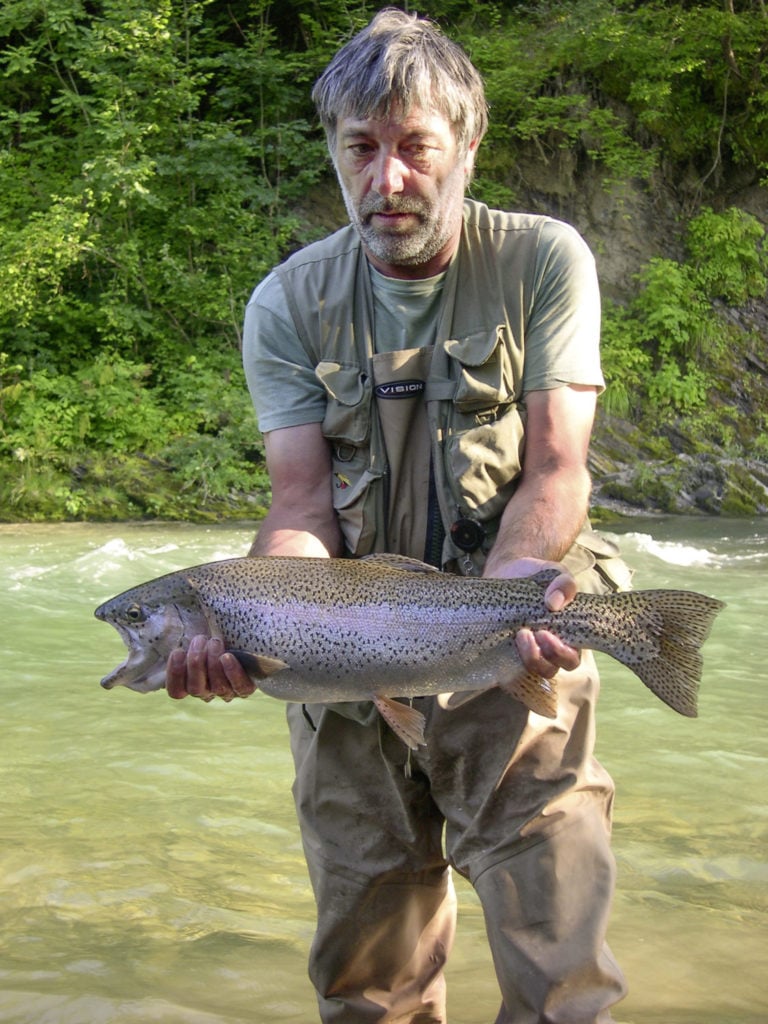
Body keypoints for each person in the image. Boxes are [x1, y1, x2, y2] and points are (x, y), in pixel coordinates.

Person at [167, 9, 630, 1022]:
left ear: (469, 140)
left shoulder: (543, 261)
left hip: (517, 633)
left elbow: (558, 469)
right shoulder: (288, 303)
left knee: (564, 986)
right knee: (370, 991)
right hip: (340, 664)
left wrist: (513, 604)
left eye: (414, 147)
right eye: (360, 149)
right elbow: (297, 509)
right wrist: (251, 620)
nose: (386, 180)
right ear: (334, 151)